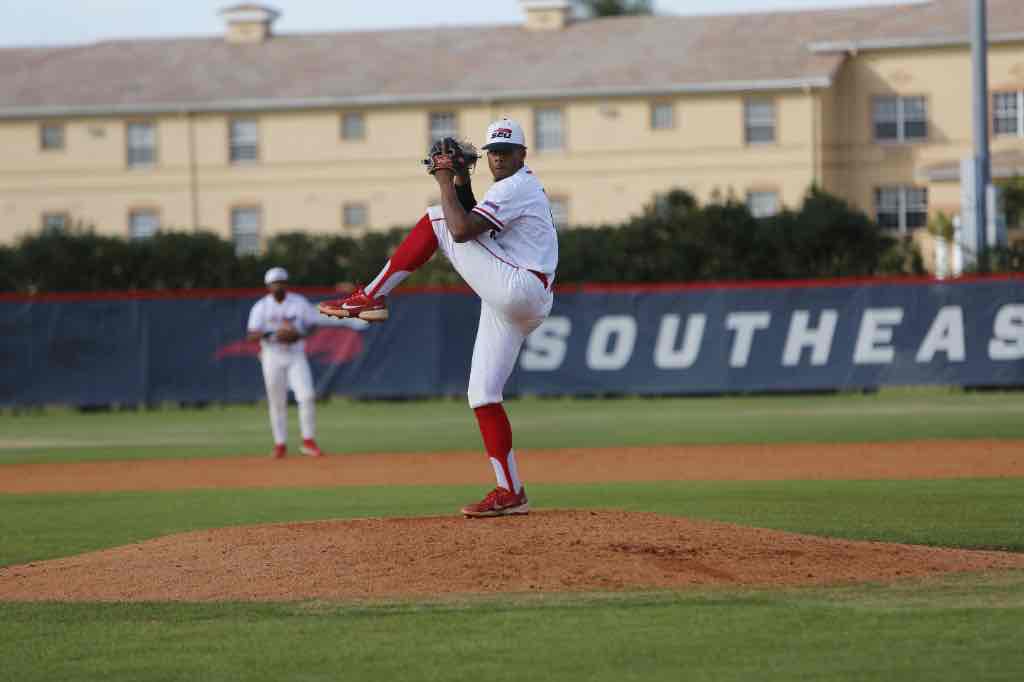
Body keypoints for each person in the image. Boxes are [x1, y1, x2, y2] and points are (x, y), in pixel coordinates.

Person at [319, 118, 558, 517]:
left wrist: (445, 179)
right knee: (482, 394)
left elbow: (460, 231)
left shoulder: (517, 186)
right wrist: (461, 181)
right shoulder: (512, 189)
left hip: (520, 286)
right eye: (492, 152)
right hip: (517, 296)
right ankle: (510, 490)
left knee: (436, 218)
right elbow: (475, 224)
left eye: (506, 151)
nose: (498, 158)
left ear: (522, 154)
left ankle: (370, 296)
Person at [247, 266, 325, 459]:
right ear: (268, 285)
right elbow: (251, 334)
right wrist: (273, 333)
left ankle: (308, 441)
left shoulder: (298, 303)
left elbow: (313, 324)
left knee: (306, 396)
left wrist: (298, 335)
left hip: (295, 354)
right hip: (272, 355)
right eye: (274, 282)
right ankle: (280, 444)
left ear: (286, 283)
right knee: (276, 401)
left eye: (281, 281)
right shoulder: (261, 306)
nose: (278, 285)